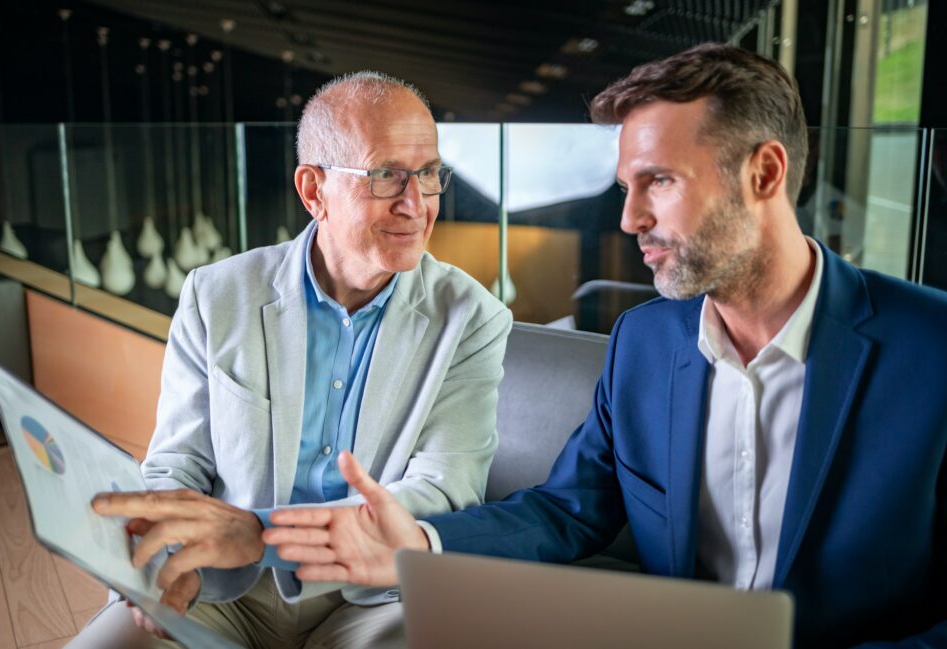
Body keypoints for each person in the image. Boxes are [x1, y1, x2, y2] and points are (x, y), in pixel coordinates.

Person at [263, 44, 947, 647]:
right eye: (626, 187)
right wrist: (419, 543)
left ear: (765, 174)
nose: (629, 218)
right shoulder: (645, 343)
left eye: (661, 180)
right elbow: (568, 508)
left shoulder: (932, 351)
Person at [71, 71, 511, 648]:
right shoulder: (216, 294)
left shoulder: (474, 318)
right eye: (386, 176)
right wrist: (157, 556)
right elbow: (177, 463)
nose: (416, 204)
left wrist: (264, 533)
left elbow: (445, 490)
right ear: (313, 191)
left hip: (375, 596)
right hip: (224, 585)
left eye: (428, 175)